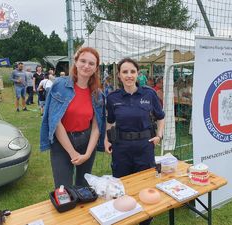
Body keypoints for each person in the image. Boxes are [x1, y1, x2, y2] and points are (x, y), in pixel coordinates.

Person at [104, 58, 164, 225]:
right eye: (125, 72)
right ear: (119, 75)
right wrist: (106, 139)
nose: (129, 75)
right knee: (122, 186)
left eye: (132, 72)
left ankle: (145, 220)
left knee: (145, 185)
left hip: (144, 147)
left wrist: (159, 135)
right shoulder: (113, 97)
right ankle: (125, 219)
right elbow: (109, 121)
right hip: (121, 148)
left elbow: (161, 117)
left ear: (138, 74)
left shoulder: (149, 94)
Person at [40, 47, 105, 188]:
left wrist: (87, 154)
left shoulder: (97, 94)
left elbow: (96, 127)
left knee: (84, 188)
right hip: (62, 143)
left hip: (87, 142)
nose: (86, 66)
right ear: (75, 62)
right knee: (64, 190)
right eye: (83, 61)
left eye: (91, 63)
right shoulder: (59, 85)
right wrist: (72, 152)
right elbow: (55, 122)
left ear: (96, 68)